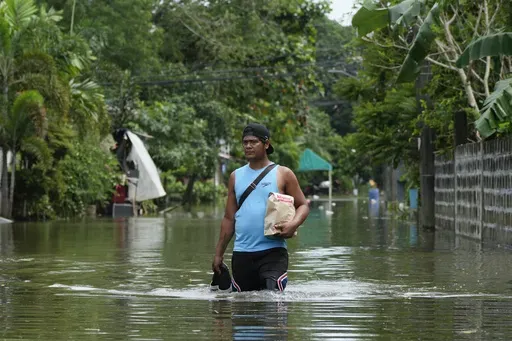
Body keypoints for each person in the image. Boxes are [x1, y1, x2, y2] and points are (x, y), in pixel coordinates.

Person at [212, 123, 310, 292]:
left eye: (254, 142)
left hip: (272, 252)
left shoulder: (283, 174)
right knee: (243, 311)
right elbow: (229, 219)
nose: (248, 146)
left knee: (272, 300)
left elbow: (303, 205)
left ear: (266, 144)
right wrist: (219, 254)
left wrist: (293, 224)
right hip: (242, 253)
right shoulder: (235, 176)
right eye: (245, 142)